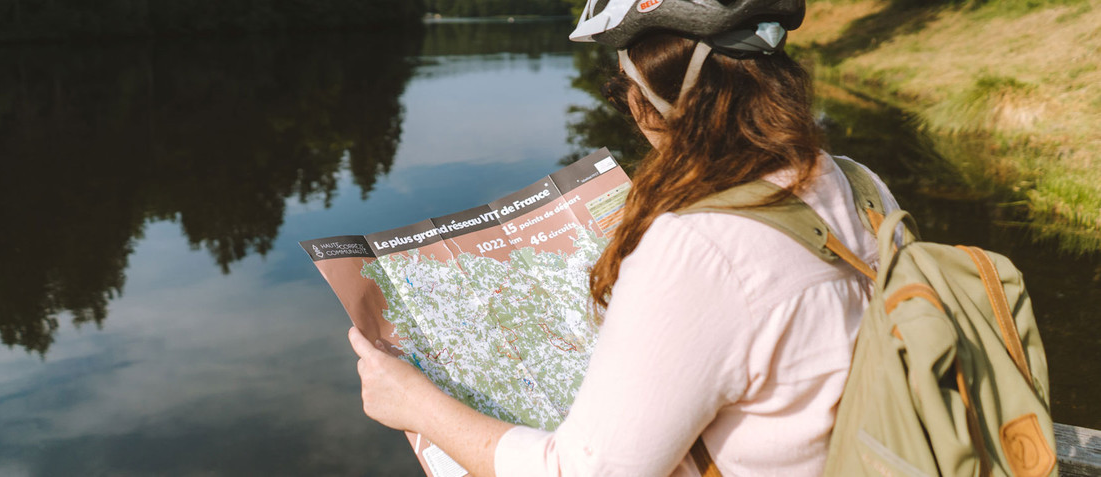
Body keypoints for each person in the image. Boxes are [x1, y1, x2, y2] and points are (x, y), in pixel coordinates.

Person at [347, 0, 901, 475]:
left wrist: (416, 405)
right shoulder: (857, 182)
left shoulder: (700, 245)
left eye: (620, 91)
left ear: (657, 98)